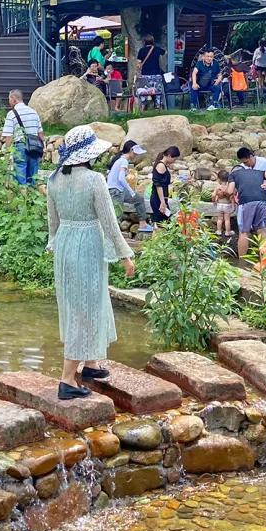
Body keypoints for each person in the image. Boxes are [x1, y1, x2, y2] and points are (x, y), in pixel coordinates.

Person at [46, 125, 135, 400]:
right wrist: (125, 255)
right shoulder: (95, 180)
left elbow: (53, 223)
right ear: (89, 154)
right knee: (85, 308)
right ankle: (67, 380)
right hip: (87, 245)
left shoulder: (54, 179)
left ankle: (91, 365)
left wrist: (54, 244)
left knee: (83, 303)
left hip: (64, 245)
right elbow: (109, 223)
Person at [228, 146, 266, 259]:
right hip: (262, 200)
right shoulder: (258, 172)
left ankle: (242, 262)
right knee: (262, 230)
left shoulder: (233, 175)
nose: (246, 165)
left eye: (246, 162)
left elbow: (230, 191)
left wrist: (227, 192)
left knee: (244, 232)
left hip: (246, 202)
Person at [1, 88, 44, 186]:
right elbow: (40, 133)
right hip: (35, 147)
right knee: (33, 175)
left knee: (20, 176)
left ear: (13, 98)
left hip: (20, 147)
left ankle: (22, 198)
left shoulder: (11, 114)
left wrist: (8, 153)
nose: (9, 101)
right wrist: (43, 149)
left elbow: (9, 136)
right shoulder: (34, 112)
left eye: (9, 99)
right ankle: (33, 197)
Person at [106, 139, 152, 230]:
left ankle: (143, 224)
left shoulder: (120, 159)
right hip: (115, 191)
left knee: (138, 199)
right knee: (117, 215)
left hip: (119, 190)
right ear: (131, 150)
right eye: (135, 153)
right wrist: (131, 191)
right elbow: (121, 179)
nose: (136, 155)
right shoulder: (123, 161)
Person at [149, 145, 180, 224]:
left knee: (163, 222)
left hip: (162, 198)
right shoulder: (161, 166)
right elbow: (158, 185)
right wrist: (162, 202)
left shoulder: (163, 165)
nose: (174, 161)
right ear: (169, 156)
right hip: (158, 199)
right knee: (161, 223)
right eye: (174, 159)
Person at [137, 34, 167, 109]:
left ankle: (143, 106)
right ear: (153, 41)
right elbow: (165, 52)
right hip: (156, 74)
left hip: (145, 75)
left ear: (144, 42)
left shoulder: (141, 50)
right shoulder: (157, 49)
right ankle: (158, 106)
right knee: (157, 91)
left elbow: (138, 63)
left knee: (144, 91)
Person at [212, 166, 235, 238]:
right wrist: (233, 205)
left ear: (219, 178)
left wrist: (214, 200)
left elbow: (213, 195)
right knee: (227, 219)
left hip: (219, 204)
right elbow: (232, 196)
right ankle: (228, 232)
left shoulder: (218, 186)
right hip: (227, 205)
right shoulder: (229, 186)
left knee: (219, 218)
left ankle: (218, 231)